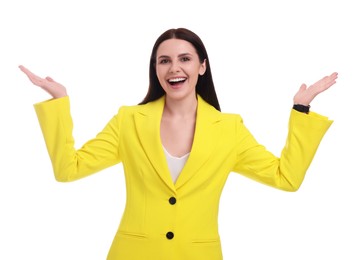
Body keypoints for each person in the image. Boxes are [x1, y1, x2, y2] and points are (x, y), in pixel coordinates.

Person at [19, 28, 337, 260]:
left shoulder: (230, 129)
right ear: (155, 69)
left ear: (202, 66)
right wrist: (59, 102)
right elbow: (68, 169)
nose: (174, 68)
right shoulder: (128, 121)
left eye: (185, 58)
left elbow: (286, 177)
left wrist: (301, 110)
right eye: (164, 61)